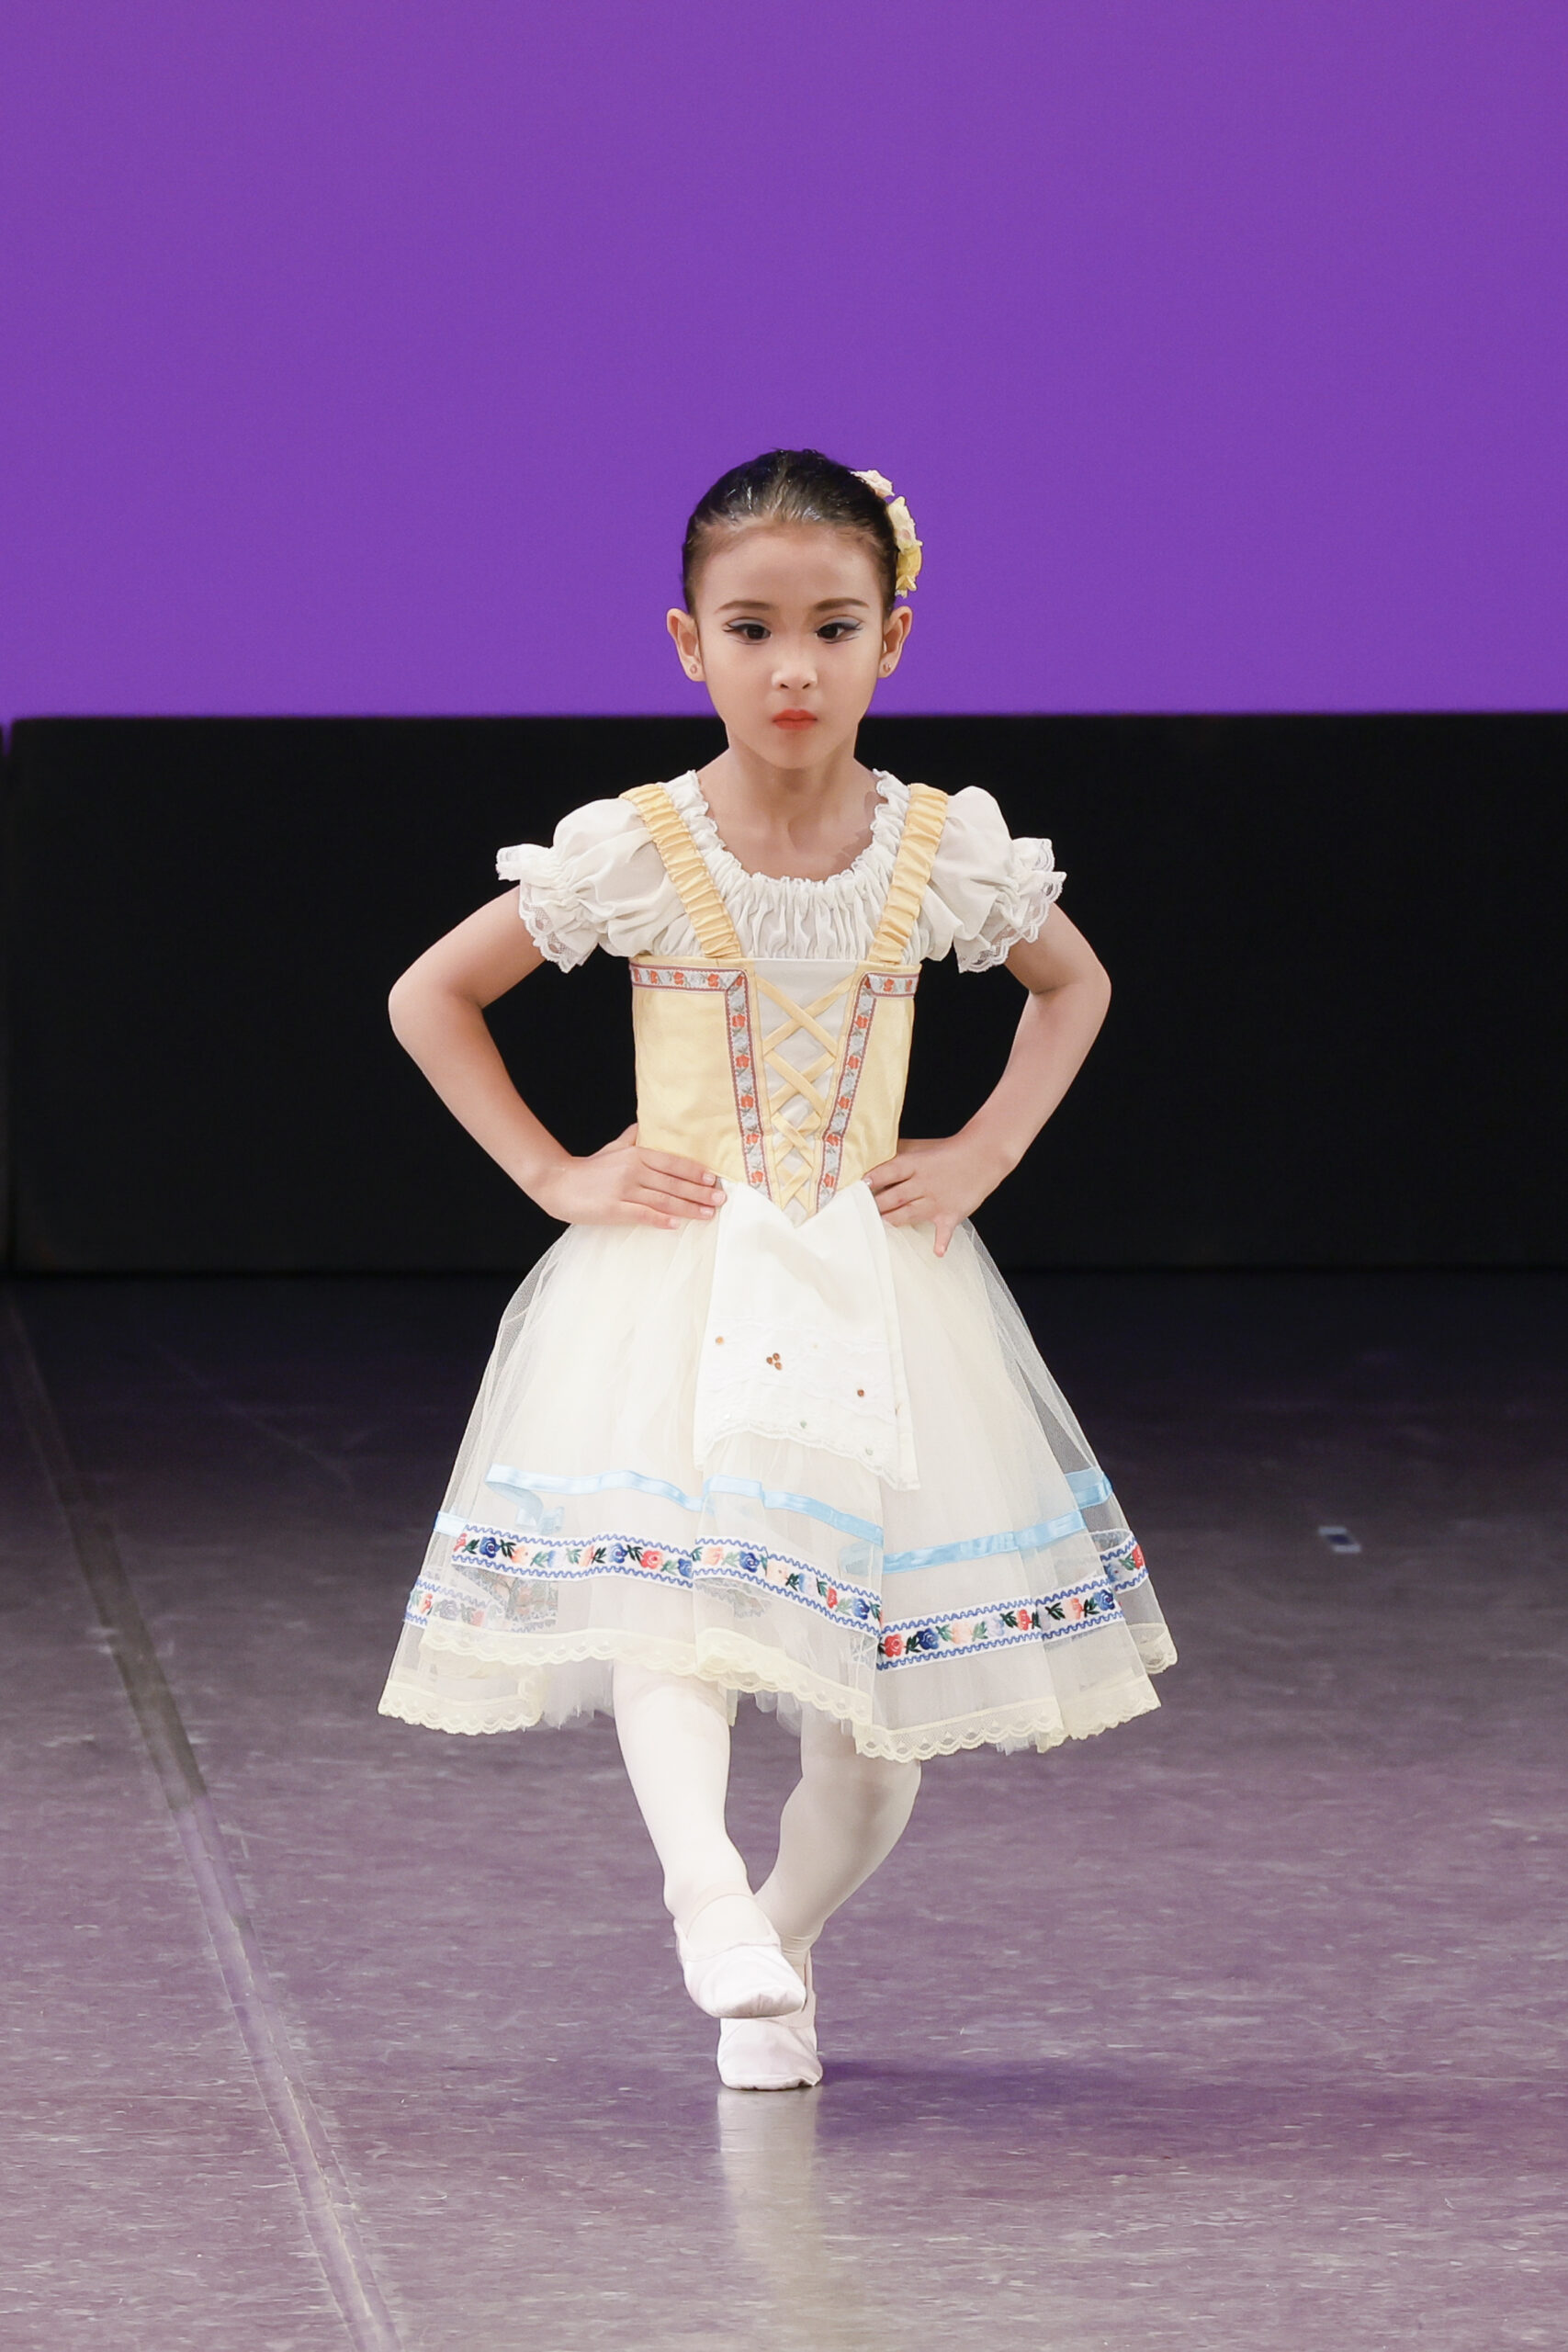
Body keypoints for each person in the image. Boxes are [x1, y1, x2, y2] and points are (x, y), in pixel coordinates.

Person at [378, 449, 1175, 2089]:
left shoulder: (936, 849)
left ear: (894, 637)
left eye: (833, 626)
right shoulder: (641, 846)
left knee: (872, 1726)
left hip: (872, 1297)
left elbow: (1074, 985)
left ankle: (783, 1940)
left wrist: (982, 1154)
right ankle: (704, 1893)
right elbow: (429, 994)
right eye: (751, 629)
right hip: (681, 1282)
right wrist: (555, 1172)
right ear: (690, 643)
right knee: (677, 1617)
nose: (793, 667)